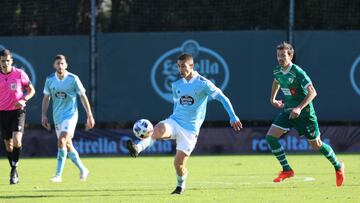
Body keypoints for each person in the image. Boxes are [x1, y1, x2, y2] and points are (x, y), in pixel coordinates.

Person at [126, 53, 242, 194]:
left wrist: (233, 116)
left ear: (192, 66)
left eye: (183, 66)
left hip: (190, 131)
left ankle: (180, 185)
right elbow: (176, 105)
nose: (181, 70)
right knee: (159, 129)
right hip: (174, 122)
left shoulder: (203, 83)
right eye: (179, 66)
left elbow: (223, 98)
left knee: (178, 164)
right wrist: (171, 121)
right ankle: (137, 148)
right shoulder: (176, 85)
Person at [266, 42, 345, 186]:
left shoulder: (298, 72)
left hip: (305, 114)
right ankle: (287, 170)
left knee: (317, 145)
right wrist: (272, 98)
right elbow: (276, 81)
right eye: (278, 56)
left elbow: (313, 92)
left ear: (290, 56)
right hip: (288, 110)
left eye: (283, 56)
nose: (280, 59)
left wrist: (299, 108)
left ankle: (338, 166)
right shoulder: (277, 70)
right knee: (271, 137)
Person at [41, 54, 95, 182]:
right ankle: (83, 169)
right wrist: (43, 114)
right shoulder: (49, 79)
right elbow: (46, 97)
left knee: (62, 140)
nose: (60, 66)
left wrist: (89, 115)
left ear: (66, 65)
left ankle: (58, 175)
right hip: (57, 116)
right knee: (68, 145)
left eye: (62, 63)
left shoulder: (73, 79)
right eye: (57, 63)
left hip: (71, 115)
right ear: (54, 65)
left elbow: (82, 96)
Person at [0, 49, 36, 184]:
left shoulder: (20, 73)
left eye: (8, 60)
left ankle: (14, 170)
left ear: (12, 61)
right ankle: (14, 168)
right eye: (3, 61)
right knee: (8, 145)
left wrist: (24, 99)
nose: (5, 63)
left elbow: (32, 90)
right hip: (2, 113)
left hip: (18, 112)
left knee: (17, 141)